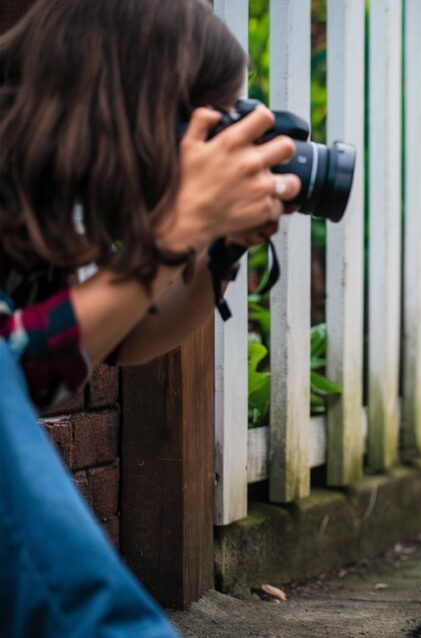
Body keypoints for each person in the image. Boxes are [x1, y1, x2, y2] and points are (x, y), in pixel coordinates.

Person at [0, 0, 301, 635]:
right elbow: (18, 361)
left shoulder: (38, 198)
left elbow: (117, 340)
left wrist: (218, 246)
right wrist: (173, 229)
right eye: (201, 123)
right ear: (137, 111)